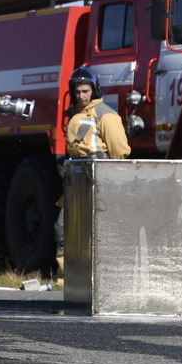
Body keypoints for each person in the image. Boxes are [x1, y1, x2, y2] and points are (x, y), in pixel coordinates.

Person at [55, 66, 131, 266]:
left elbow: (120, 151)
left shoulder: (106, 115)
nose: (80, 96)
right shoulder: (76, 115)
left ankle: (97, 274)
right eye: (77, 91)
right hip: (76, 180)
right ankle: (67, 280)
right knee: (63, 229)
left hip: (98, 181)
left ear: (95, 90)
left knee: (96, 233)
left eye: (85, 91)